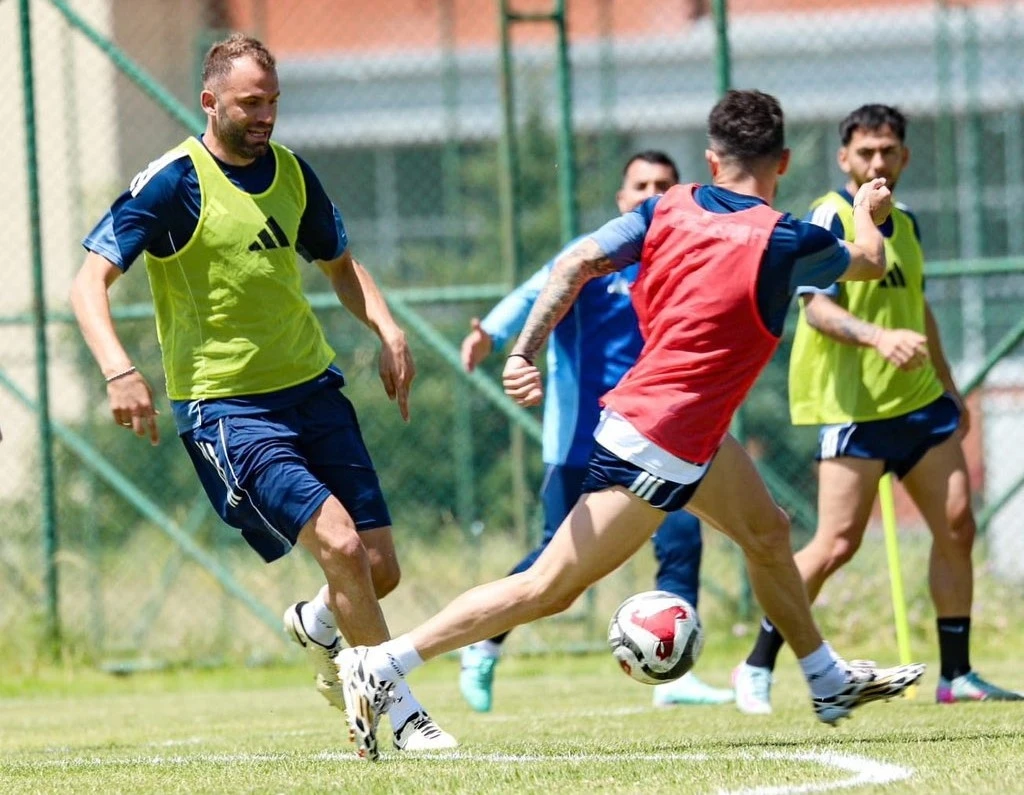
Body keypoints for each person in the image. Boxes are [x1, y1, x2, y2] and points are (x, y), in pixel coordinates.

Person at [335, 89, 926, 762]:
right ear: (784, 162)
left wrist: (524, 350)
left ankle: (825, 679)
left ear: (711, 160)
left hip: (684, 432)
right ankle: (383, 663)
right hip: (659, 441)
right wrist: (868, 211)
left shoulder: (665, 208)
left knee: (767, 532)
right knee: (547, 587)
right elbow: (870, 259)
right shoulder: (788, 240)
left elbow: (574, 263)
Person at [68, 33, 457, 751]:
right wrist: (120, 370)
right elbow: (88, 282)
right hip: (228, 410)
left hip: (313, 390)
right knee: (339, 543)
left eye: (274, 101)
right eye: (251, 102)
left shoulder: (292, 172)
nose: (266, 116)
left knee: (376, 568)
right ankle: (402, 713)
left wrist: (387, 327)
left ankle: (317, 623)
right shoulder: (173, 182)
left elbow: (340, 264)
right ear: (209, 101)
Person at [733, 103, 1023, 712]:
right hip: (852, 409)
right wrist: (877, 338)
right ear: (844, 158)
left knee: (958, 524)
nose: (877, 162)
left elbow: (918, 305)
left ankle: (957, 675)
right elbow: (817, 309)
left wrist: (949, 385)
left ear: (905, 157)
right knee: (837, 544)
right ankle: (757, 662)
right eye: (865, 152)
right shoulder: (829, 216)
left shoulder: (908, 223)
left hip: (917, 403)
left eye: (888, 150)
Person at [458, 151, 732, 711]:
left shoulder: (682, 261)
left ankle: (673, 677)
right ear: (622, 198)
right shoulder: (592, 254)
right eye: (640, 185)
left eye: (662, 185)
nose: (650, 193)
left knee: (681, 538)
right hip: (581, 441)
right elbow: (534, 293)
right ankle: (482, 645)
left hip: (657, 434)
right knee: (555, 565)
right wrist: (493, 334)